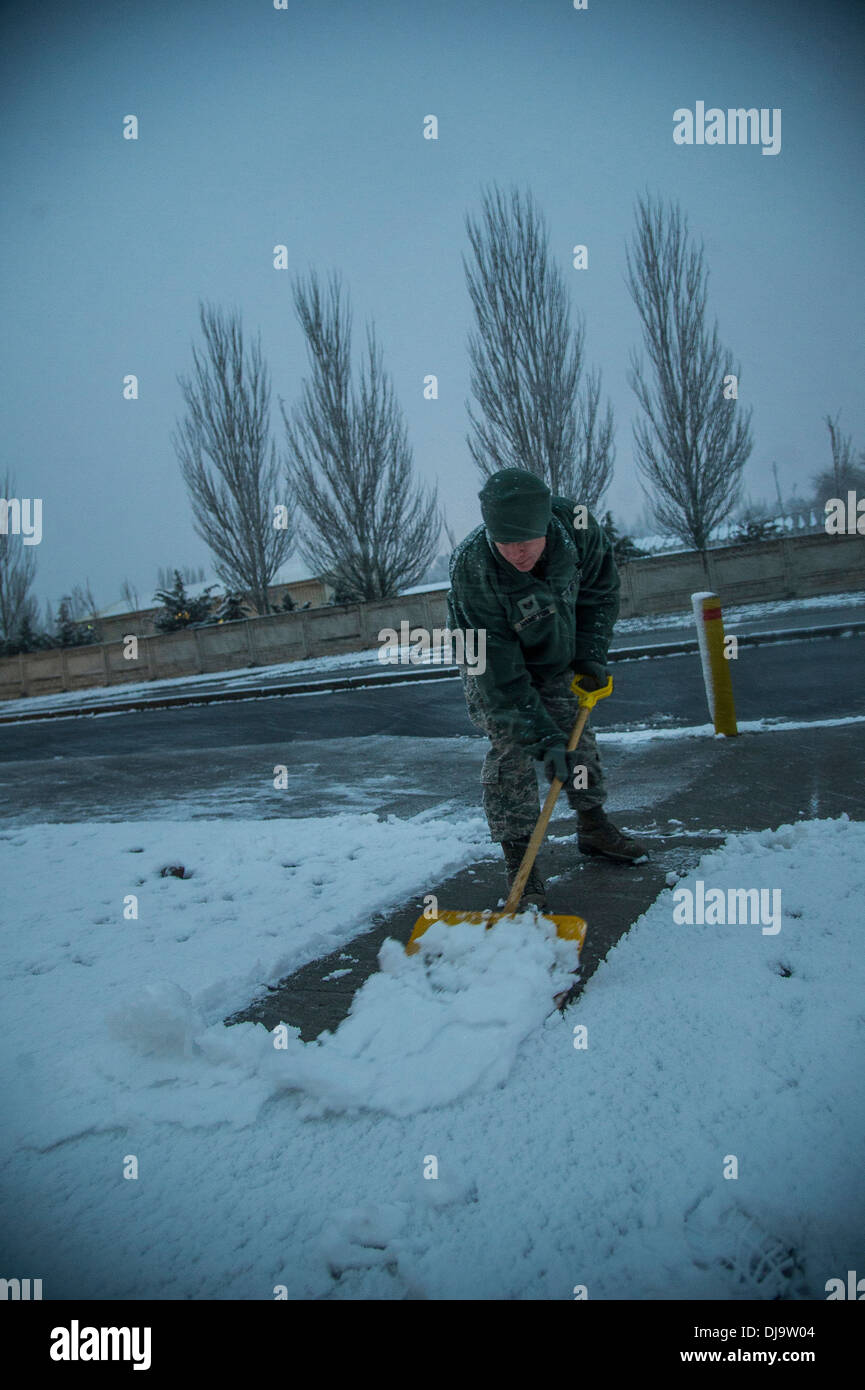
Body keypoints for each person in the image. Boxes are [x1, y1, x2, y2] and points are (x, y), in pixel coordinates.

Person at [447, 467, 648, 909]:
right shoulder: (473, 569)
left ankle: (593, 827)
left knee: (577, 737)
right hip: (491, 662)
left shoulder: (577, 528)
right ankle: (522, 867)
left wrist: (591, 655)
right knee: (511, 749)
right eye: (505, 543)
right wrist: (540, 736)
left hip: (557, 652)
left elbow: (600, 593)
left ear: (544, 528)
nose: (517, 552)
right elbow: (499, 675)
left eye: (527, 541)